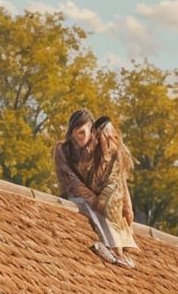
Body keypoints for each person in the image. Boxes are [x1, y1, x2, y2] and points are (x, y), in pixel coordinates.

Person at [52, 108, 121, 266]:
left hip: (94, 197)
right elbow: (72, 180)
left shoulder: (96, 150)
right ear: (72, 132)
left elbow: (114, 176)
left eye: (85, 132)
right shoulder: (63, 149)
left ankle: (117, 250)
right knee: (88, 207)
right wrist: (93, 199)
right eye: (78, 132)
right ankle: (109, 246)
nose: (82, 137)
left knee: (106, 212)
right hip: (73, 195)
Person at [90, 115, 137, 268]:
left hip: (112, 194)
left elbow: (119, 180)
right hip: (109, 192)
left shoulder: (115, 153)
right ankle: (116, 251)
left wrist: (127, 205)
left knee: (110, 212)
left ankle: (117, 253)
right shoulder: (101, 154)